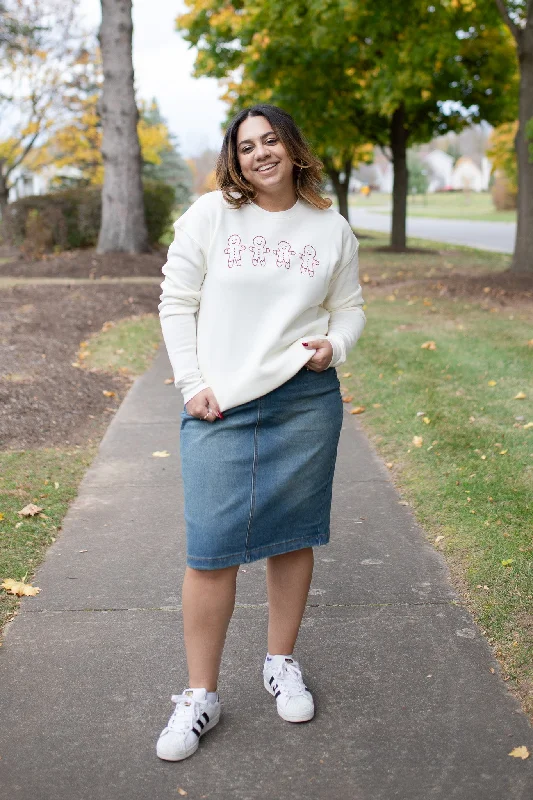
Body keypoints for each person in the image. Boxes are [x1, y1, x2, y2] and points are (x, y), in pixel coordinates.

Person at [156, 104, 366, 762]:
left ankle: (280, 662)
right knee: (211, 550)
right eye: (245, 146)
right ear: (234, 158)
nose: (259, 154)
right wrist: (191, 383)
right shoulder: (211, 214)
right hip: (221, 405)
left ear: (292, 147)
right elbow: (176, 299)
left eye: (270, 139)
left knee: (290, 535)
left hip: (304, 400)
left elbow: (351, 306)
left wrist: (333, 345)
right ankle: (199, 696)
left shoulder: (331, 228)